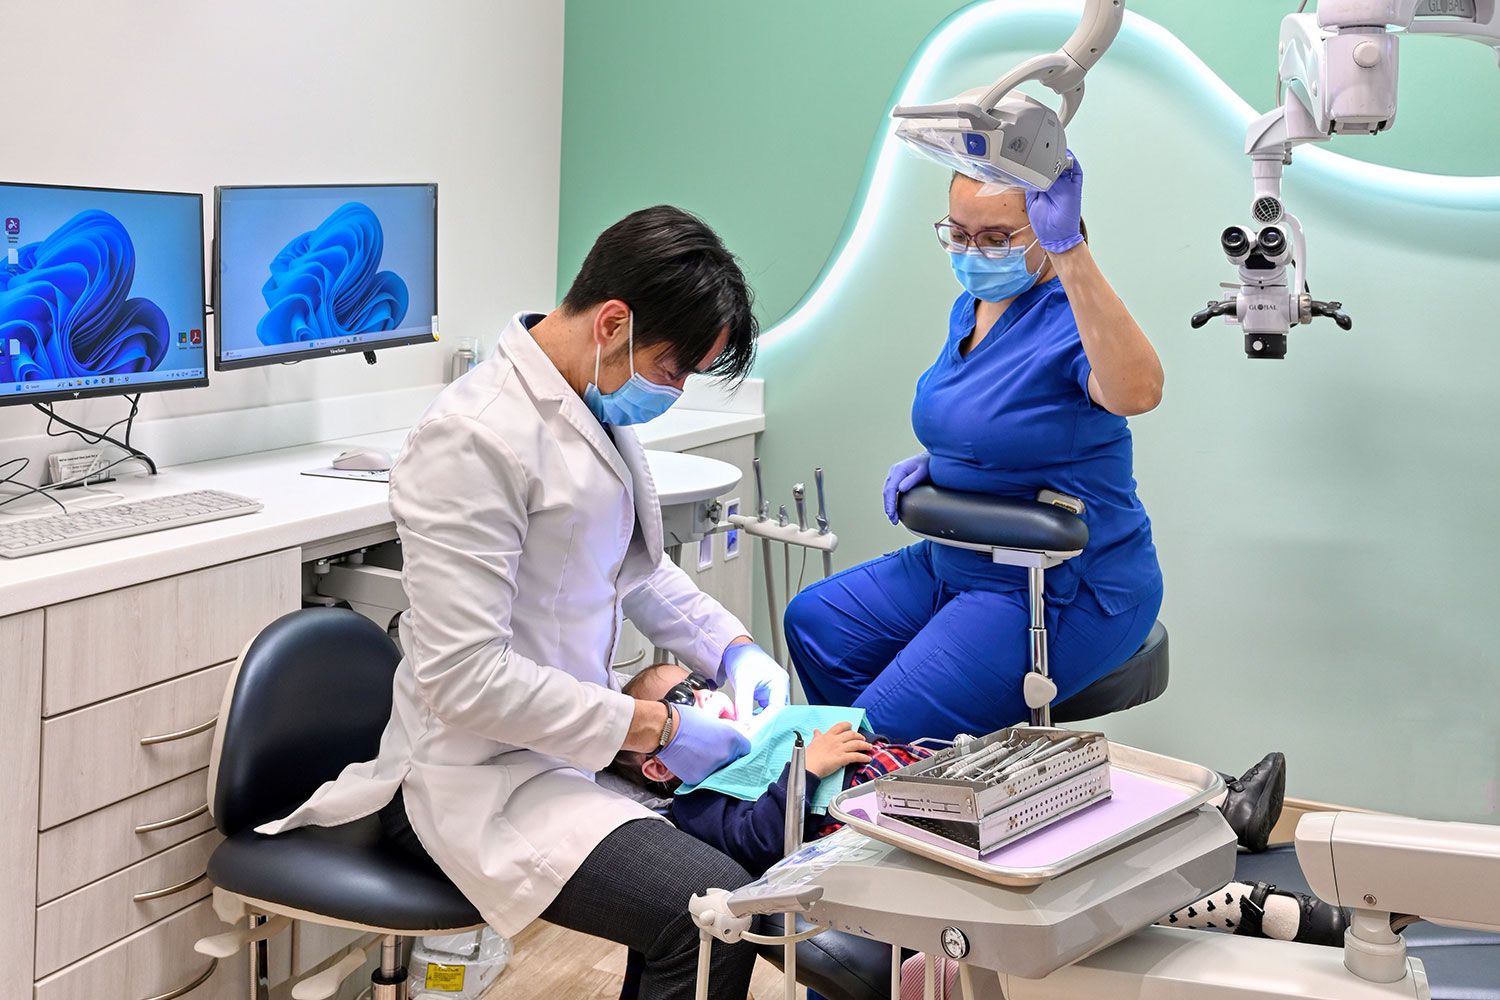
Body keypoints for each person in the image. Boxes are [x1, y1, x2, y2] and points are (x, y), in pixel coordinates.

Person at [254, 206, 790, 1000]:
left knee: (735, 877)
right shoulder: (475, 436)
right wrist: (660, 727)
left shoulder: (589, 402)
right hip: (470, 777)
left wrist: (732, 648)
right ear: (613, 323)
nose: (673, 393)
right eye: (674, 370)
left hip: (560, 752)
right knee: (703, 916)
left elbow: (626, 567)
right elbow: (462, 679)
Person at [784, 153, 1167, 745]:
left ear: (1043, 228)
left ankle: (884, 776)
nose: (973, 252)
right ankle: (908, 792)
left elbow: (1138, 391)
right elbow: (992, 422)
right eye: (958, 234)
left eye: (994, 237)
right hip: (956, 559)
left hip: (1060, 583)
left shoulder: (1072, 319)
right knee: (816, 622)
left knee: (878, 729)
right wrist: (939, 465)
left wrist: (1070, 253)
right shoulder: (972, 307)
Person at [613, 663, 1350, 949]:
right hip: (903, 838)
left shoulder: (764, 730)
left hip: (934, 783)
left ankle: (1222, 806)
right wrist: (804, 771)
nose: (708, 695)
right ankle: (1253, 906)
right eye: (681, 697)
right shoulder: (701, 803)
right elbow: (750, 843)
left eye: (702, 678)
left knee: (1066, 765)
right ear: (654, 759)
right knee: (1072, 862)